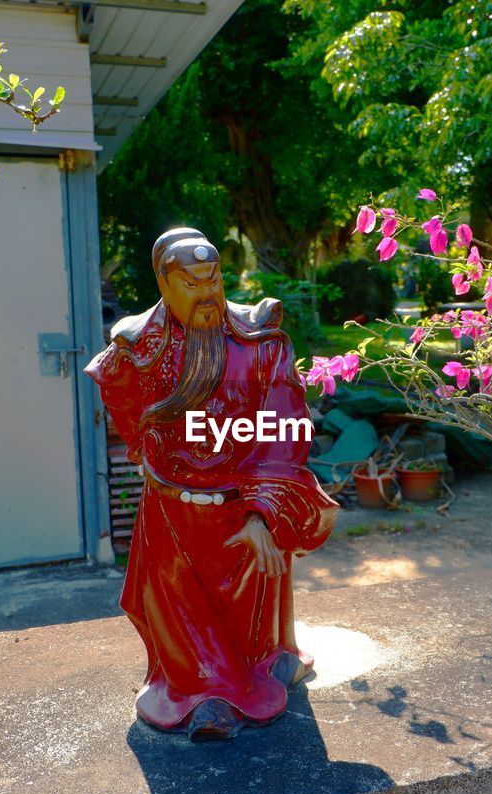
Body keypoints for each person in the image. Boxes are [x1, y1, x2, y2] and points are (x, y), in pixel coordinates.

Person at [84, 229, 339, 740]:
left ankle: (270, 658)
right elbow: (121, 401)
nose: (206, 292)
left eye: (214, 278)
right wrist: (156, 457)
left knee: (259, 624)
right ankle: (204, 696)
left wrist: (263, 511)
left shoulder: (258, 338)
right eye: (190, 281)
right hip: (174, 515)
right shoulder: (136, 345)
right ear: (163, 282)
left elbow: (284, 427)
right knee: (184, 620)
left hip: (245, 506)